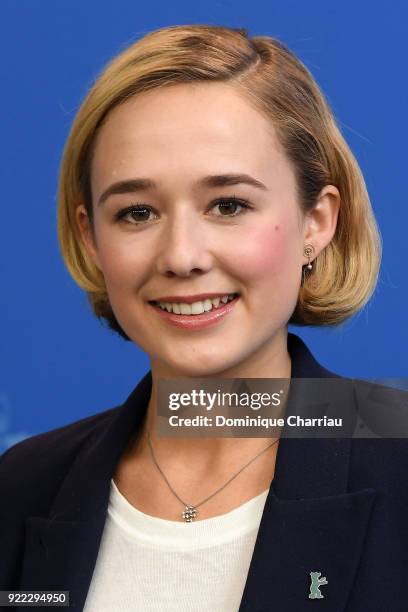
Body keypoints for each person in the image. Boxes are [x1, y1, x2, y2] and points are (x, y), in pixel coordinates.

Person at [0, 23, 407, 612]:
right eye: (137, 213)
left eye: (228, 205)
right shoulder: (23, 484)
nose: (182, 256)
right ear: (91, 238)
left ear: (316, 223)